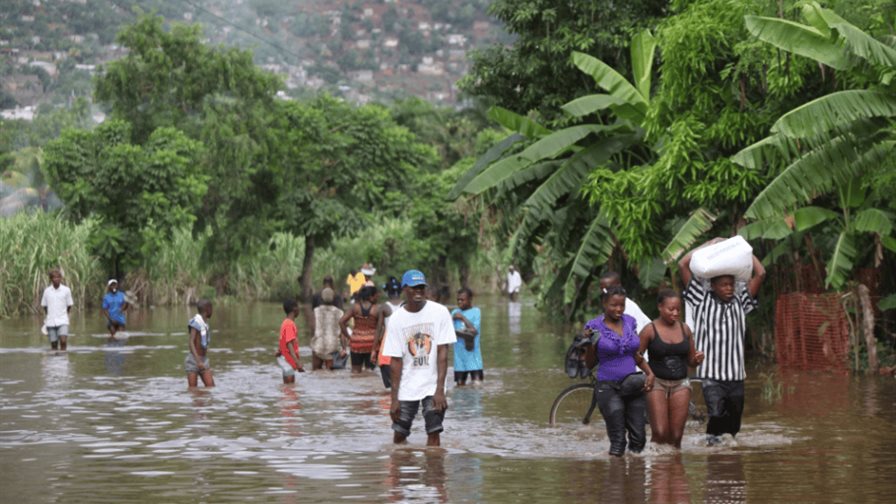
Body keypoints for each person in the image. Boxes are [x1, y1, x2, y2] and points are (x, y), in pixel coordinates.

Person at [679, 239, 766, 443]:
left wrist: (743, 249)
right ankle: (714, 453)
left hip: (736, 375)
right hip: (711, 375)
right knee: (716, 414)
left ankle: (726, 459)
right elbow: (682, 264)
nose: (729, 288)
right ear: (713, 286)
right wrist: (709, 244)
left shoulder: (740, 301)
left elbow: (761, 273)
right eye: (724, 285)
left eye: (731, 284)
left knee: (733, 425)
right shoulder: (701, 299)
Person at [383, 269, 456, 446]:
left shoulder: (440, 312)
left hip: (432, 385)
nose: (418, 291)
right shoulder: (396, 319)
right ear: (404, 289)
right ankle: (402, 464)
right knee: (399, 434)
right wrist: (394, 400)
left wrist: (440, 390)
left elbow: (443, 353)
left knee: (434, 432)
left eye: (421, 288)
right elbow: (395, 362)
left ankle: (434, 471)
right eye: (414, 288)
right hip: (407, 385)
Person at [583, 286, 654, 456]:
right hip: (608, 388)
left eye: (621, 305)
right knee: (618, 442)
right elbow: (589, 364)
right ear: (604, 304)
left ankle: (634, 479)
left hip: (633, 385)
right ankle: (615, 479)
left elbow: (635, 354)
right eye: (614, 305)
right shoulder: (593, 326)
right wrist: (590, 345)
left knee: (639, 439)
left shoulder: (630, 321)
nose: (618, 309)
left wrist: (650, 373)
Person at [638, 289, 704, 448]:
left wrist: (697, 360)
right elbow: (637, 355)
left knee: (676, 435)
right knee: (660, 432)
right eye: (671, 309)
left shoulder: (685, 329)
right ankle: (657, 467)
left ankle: (674, 469)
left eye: (678, 309)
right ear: (660, 307)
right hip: (656, 383)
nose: (675, 313)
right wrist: (649, 373)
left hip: (681, 384)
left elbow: (691, 361)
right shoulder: (649, 330)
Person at [339, 285, 385, 373]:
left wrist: (349, 337)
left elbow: (341, 322)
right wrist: (378, 344)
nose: (377, 297)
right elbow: (381, 328)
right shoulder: (377, 309)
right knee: (370, 372)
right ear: (370, 297)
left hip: (356, 343)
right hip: (371, 344)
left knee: (355, 372)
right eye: (376, 296)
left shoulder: (354, 307)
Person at [372, 276, 403, 388]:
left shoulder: (384, 307)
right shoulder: (406, 306)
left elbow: (379, 329)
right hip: (403, 351)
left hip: (387, 351)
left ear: (387, 292)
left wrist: (373, 350)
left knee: (390, 388)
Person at [451, 287, 483, 386]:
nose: (460, 302)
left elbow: (474, 331)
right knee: (460, 387)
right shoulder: (454, 313)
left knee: (477, 386)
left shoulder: (476, 311)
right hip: (459, 359)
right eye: (458, 300)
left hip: (474, 357)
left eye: (462, 300)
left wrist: (462, 318)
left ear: (470, 300)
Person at [310, 288, 345, 370]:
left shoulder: (315, 311)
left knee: (315, 371)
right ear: (333, 298)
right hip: (333, 347)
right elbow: (342, 334)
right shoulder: (340, 312)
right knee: (331, 374)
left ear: (321, 298)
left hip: (318, 345)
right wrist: (344, 349)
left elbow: (313, 329)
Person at [41, 269, 73, 351]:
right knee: (54, 344)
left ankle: (63, 359)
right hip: (51, 321)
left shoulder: (66, 290)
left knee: (63, 341)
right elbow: (44, 306)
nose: (56, 279)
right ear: (51, 279)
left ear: (61, 278)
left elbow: (69, 305)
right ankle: (54, 361)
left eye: (58, 277)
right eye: (54, 277)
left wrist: (65, 315)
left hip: (63, 320)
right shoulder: (47, 291)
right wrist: (49, 315)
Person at [186, 299, 215, 387]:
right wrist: (198, 361)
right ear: (207, 310)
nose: (212, 311)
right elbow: (191, 342)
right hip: (194, 360)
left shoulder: (204, 324)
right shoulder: (196, 323)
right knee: (193, 390)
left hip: (203, 360)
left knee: (211, 387)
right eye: (211, 308)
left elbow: (202, 342)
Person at [277, 299, 306, 383]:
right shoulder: (290, 324)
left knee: (287, 386)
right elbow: (289, 344)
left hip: (285, 357)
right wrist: (297, 362)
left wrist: (279, 350)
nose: (299, 310)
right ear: (295, 309)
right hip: (287, 359)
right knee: (290, 388)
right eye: (298, 307)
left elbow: (283, 340)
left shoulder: (285, 322)